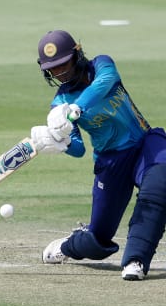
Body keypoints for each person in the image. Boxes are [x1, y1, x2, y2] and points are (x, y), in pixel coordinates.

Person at [31, 29, 166, 281]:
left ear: (77, 54)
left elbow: (108, 81)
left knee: (159, 185)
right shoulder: (58, 103)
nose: (59, 72)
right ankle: (67, 246)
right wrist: (59, 142)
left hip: (143, 143)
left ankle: (135, 260)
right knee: (97, 240)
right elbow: (79, 148)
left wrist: (76, 109)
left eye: (63, 64)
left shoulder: (101, 64)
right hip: (110, 162)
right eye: (53, 69)